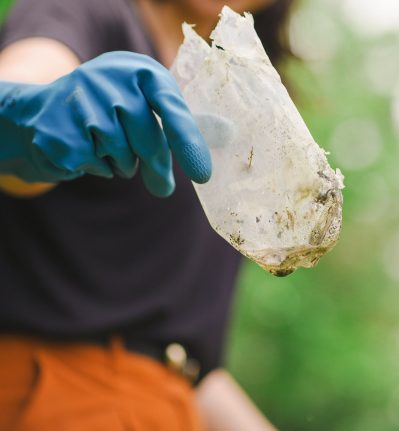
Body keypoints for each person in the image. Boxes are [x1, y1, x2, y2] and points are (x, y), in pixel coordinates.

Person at [0, 0, 294, 429]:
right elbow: (25, 76)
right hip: (53, 396)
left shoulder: (237, 106)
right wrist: (30, 115)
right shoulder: (86, 11)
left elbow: (184, 357)